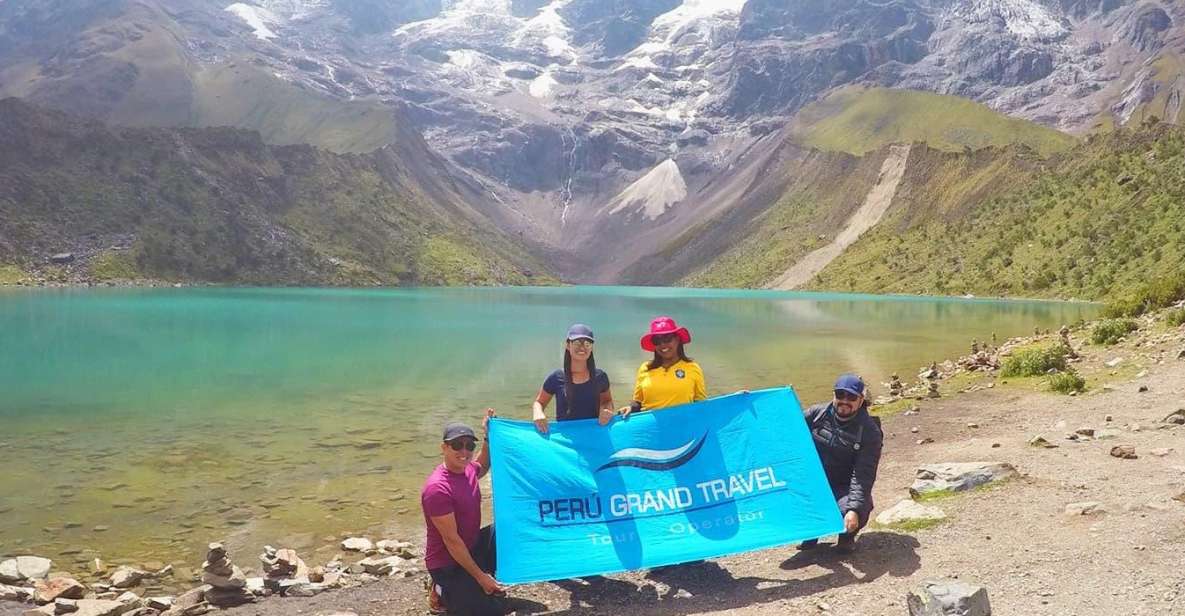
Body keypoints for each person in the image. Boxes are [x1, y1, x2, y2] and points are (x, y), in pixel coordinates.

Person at [422, 412, 504, 615]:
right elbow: (452, 541)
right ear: (444, 448)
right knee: (488, 611)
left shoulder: (467, 469)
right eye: (457, 445)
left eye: (469, 445)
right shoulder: (437, 488)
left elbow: (482, 466)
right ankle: (440, 590)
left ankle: (477, 581)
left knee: (507, 529)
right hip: (447, 562)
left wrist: (488, 436)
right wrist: (481, 577)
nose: (464, 451)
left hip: (472, 546)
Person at [800, 373, 883, 554]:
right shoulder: (816, 414)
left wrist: (854, 509)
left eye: (852, 397)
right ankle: (812, 532)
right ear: (833, 395)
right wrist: (753, 402)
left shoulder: (870, 432)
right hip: (814, 482)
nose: (845, 401)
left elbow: (863, 476)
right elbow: (784, 425)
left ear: (861, 400)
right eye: (840, 395)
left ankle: (846, 537)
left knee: (856, 509)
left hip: (843, 487)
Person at [532, 324, 614, 433]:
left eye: (587, 344)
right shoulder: (556, 377)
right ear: (568, 345)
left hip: (594, 435)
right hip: (565, 439)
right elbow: (539, 403)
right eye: (577, 343)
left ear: (591, 348)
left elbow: (607, 400)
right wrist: (538, 413)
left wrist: (607, 410)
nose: (582, 347)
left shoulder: (600, 377)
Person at [621, 316, 706, 417]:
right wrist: (631, 408)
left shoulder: (692, 368)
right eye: (657, 341)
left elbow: (701, 404)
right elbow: (638, 401)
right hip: (653, 428)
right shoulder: (645, 368)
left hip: (683, 425)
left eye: (667, 339)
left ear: (677, 339)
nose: (662, 345)